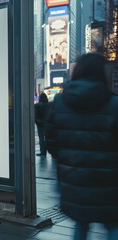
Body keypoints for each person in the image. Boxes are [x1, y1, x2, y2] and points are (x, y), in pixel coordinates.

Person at [46, 53, 118, 240]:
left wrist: (69, 158)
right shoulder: (114, 104)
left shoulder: (60, 102)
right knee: (112, 226)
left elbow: (51, 142)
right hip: (109, 181)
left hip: (74, 178)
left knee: (81, 224)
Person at [34, 93, 49, 157]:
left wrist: (37, 121)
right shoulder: (49, 105)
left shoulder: (36, 105)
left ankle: (42, 152)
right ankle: (47, 150)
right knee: (47, 138)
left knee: (41, 138)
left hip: (40, 124)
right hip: (48, 123)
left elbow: (35, 115)